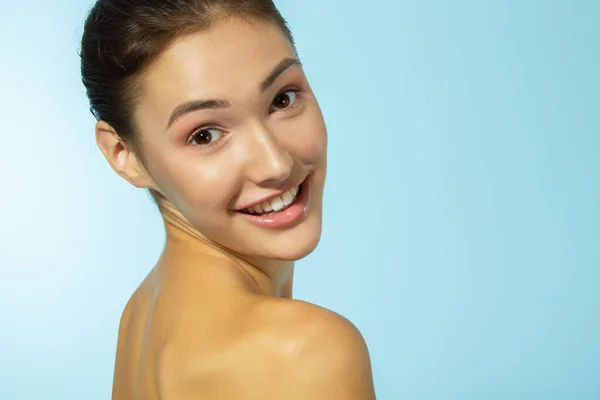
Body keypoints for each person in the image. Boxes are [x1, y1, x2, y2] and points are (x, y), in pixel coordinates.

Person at [80, 1, 376, 398]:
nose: (275, 164)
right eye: (205, 135)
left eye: (283, 99)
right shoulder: (304, 351)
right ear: (125, 155)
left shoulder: (144, 314)